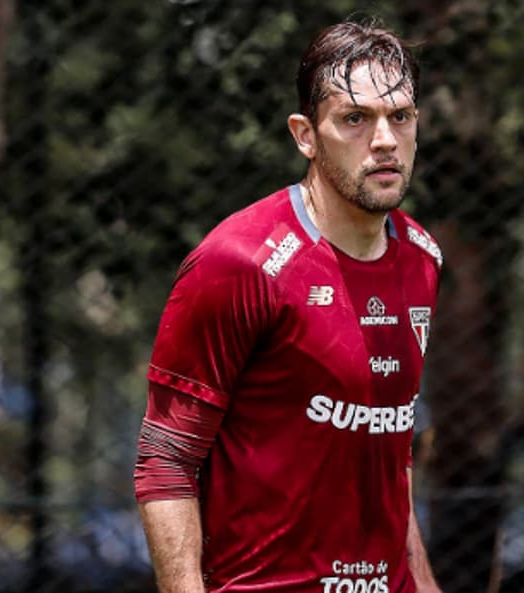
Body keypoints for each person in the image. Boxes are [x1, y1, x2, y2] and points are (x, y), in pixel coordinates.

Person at [134, 18, 444, 593]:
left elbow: (391, 463)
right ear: (305, 135)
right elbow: (165, 464)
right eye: (355, 119)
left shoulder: (422, 258)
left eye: (399, 117)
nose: (383, 140)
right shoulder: (239, 262)